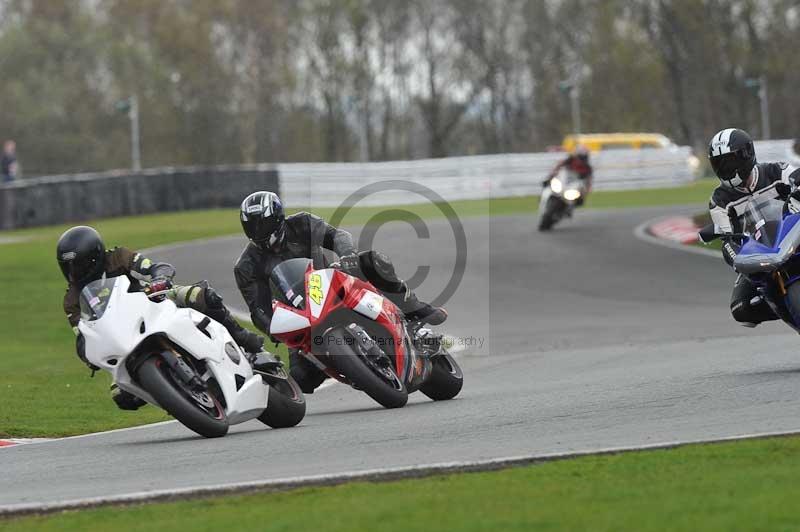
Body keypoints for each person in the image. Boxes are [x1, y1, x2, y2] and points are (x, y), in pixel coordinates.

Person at [234, 191, 447, 393]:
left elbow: (337, 235)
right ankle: (350, 365)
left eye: (263, 224)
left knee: (372, 261)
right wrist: (274, 328)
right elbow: (258, 309)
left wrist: (347, 254)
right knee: (301, 379)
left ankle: (414, 307)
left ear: (278, 218)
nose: (258, 230)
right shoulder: (246, 266)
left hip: (332, 284)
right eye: (252, 226)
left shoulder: (301, 223)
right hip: (301, 315)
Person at [57, 225, 272, 410]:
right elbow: (83, 333)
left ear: (94, 257)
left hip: (153, 300)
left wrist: (158, 278)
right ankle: (173, 396)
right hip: (122, 339)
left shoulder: (117, 257)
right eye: (68, 267)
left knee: (203, 296)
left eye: (78, 264)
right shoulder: (72, 300)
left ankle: (246, 340)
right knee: (121, 396)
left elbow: (151, 266)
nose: (74, 272)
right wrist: (87, 353)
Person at [707, 128, 800, 327]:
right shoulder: (719, 201)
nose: (725, 168)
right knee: (741, 308)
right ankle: (780, 303)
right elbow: (727, 240)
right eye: (719, 163)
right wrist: (738, 259)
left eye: (729, 161)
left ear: (746, 155)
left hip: (793, 234)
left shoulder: (778, 171)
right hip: (759, 251)